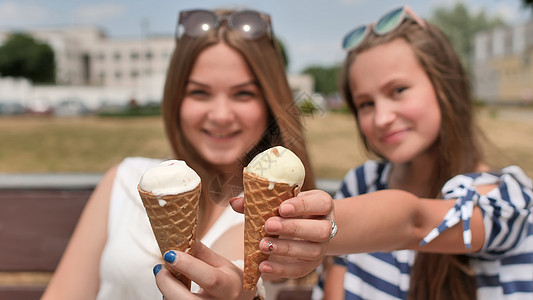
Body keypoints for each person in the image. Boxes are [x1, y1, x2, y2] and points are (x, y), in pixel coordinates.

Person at [238, 5, 533, 300]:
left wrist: (326, 225)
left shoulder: (509, 199)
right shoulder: (361, 183)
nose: (381, 118)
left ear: (446, 87)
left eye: (398, 90)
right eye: (365, 103)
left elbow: (413, 222)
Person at [41, 8, 334, 300]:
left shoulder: (279, 212)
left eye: (243, 94)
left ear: (270, 102)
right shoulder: (125, 179)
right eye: (200, 93)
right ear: (176, 100)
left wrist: (239, 292)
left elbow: (240, 280)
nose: (220, 115)